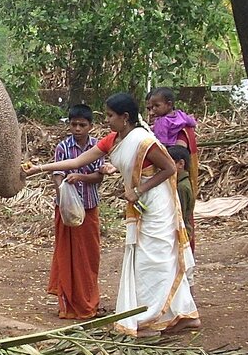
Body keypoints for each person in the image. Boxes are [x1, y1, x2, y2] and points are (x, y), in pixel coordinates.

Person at [24, 93, 199, 336]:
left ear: (124, 117)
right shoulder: (113, 140)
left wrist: (139, 190)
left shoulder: (143, 141)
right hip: (139, 206)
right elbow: (76, 162)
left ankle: (151, 318)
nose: (106, 120)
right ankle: (181, 314)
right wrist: (39, 169)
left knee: (154, 261)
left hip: (157, 206)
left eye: (109, 116)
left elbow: (170, 168)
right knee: (148, 260)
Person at [44, 104, 105, 320]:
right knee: (66, 256)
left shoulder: (97, 146)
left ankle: (88, 303)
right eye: (73, 124)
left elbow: (99, 176)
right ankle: (68, 305)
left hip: (88, 207)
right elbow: (57, 174)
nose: (77, 128)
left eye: (82, 125)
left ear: (90, 126)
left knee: (88, 257)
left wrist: (80, 177)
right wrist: (63, 200)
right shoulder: (63, 147)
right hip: (67, 210)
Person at [146, 87, 200, 197]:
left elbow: (162, 145)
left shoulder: (163, 123)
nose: (152, 112)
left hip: (173, 171)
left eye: (156, 106)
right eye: (149, 108)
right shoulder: (181, 115)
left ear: (169, 104)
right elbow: (192, 122)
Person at [168, 144, 195, 251]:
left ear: (181, 164)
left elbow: (181, 215)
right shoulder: (182, 183)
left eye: (170, 162)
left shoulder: (182, 187)